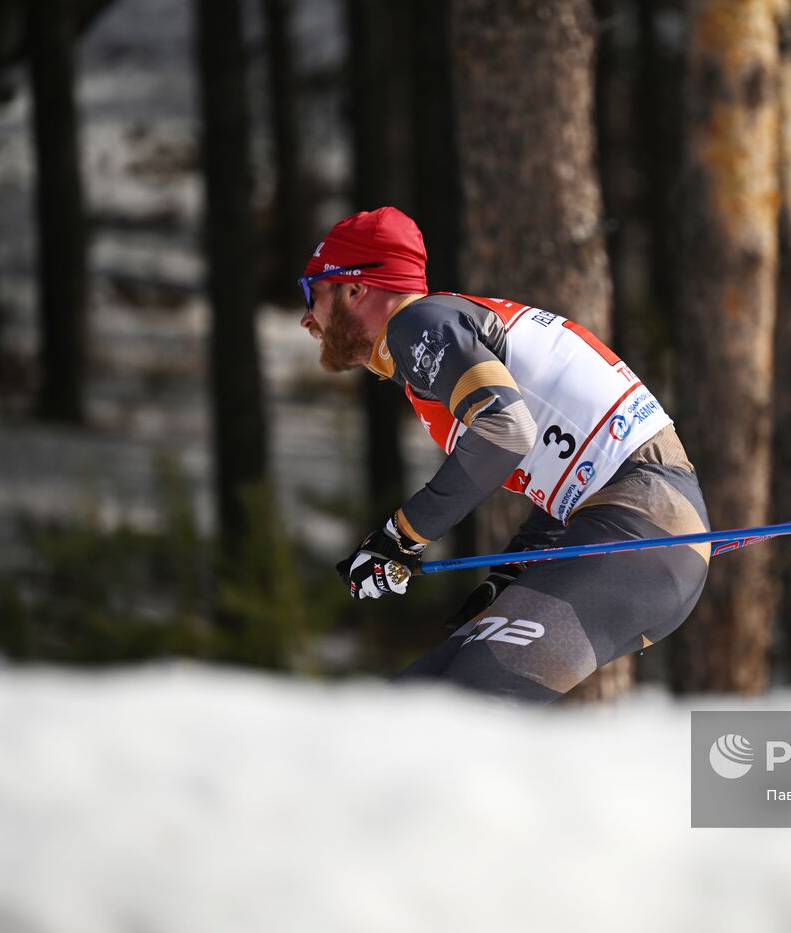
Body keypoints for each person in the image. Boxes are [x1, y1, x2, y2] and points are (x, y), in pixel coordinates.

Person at [298, 206, 709, 702]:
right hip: (637, 532)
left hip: (642, 530)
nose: (306, 317)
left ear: (355, 289)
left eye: (312, 292)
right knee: (413, 704)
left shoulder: (418, 324)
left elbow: (507, 431)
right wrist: (515, 566)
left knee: (447, 716)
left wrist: (401, 536)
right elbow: (574, 464)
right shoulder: (439, 330)